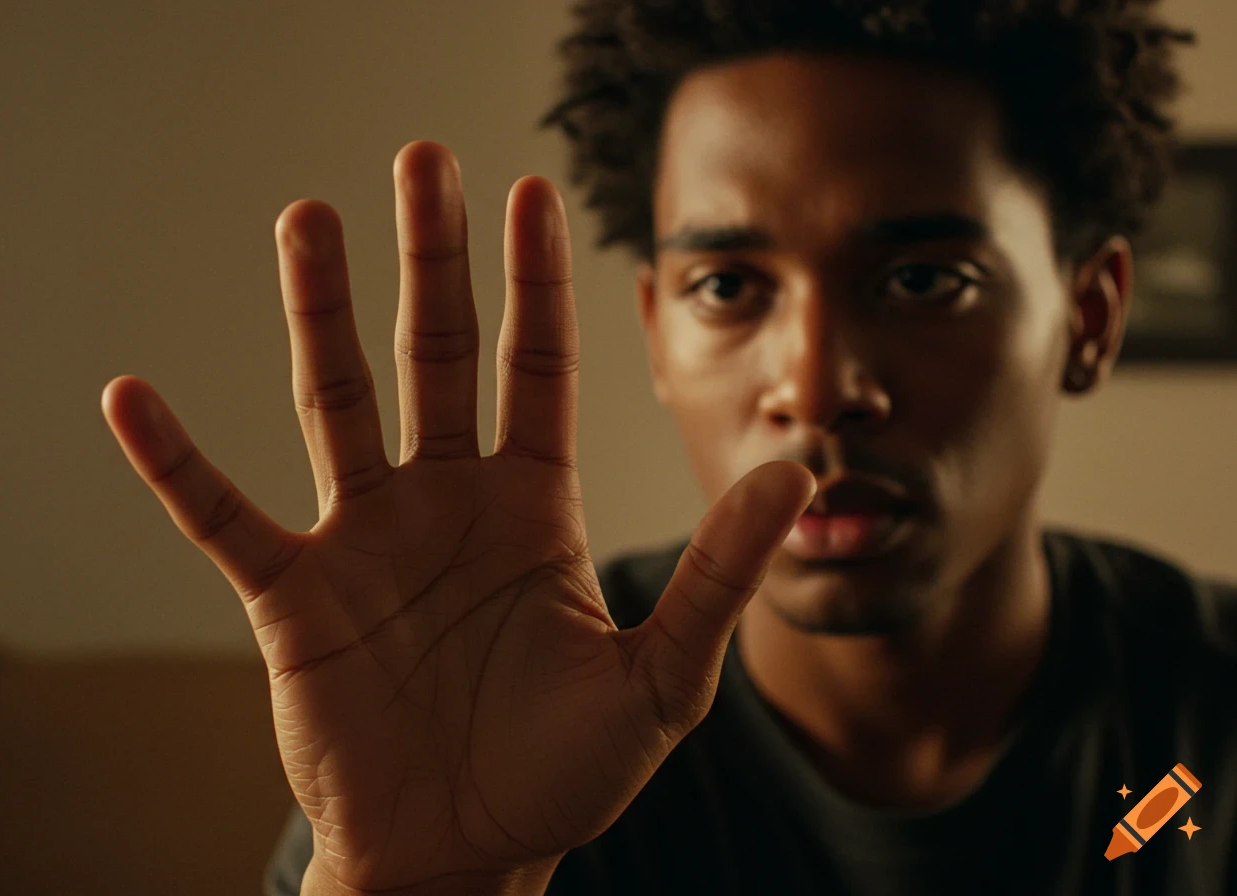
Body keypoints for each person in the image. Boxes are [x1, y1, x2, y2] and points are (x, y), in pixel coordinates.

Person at [99, 1, 1237, 894]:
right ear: (651, 328)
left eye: (923, 279)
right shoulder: (486, 704)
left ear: (1087, 318)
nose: (813, 385)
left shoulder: (1207, 722)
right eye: (728, 285)